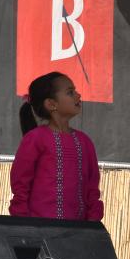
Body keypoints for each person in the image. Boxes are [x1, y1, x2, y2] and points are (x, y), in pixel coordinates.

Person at [9, 72, 103, 221]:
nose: (78, 96)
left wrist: (92, 221)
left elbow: (92, 186)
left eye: (75, 91)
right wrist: (24, 224)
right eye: (70, 92)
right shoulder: (35, 138)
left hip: (77, 231)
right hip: (39, 229)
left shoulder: (84, 141)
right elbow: (21, 184)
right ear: (51, 104)